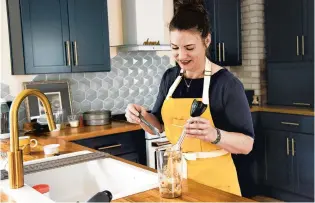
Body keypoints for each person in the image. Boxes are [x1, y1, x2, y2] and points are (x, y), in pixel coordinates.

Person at [125, 0, 254, 196]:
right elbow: (157, 126)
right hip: (176, 181)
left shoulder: (227, 84)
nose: (181, 55)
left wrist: (214, 135)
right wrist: (141, 115)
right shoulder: (170, 78)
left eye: (189, 47)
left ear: (207, 41)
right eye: (175, 47)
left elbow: (247, 144)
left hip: (216, 186)